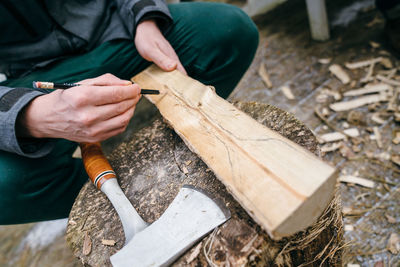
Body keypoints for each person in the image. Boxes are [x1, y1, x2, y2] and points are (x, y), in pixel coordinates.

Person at [0, 0, 259, 224]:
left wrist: (144, 17)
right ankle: (135, 192)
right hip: (34, 78)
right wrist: (29, 116)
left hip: (119, 31)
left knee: (226, 30)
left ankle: (178, 154)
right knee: (5, 188)